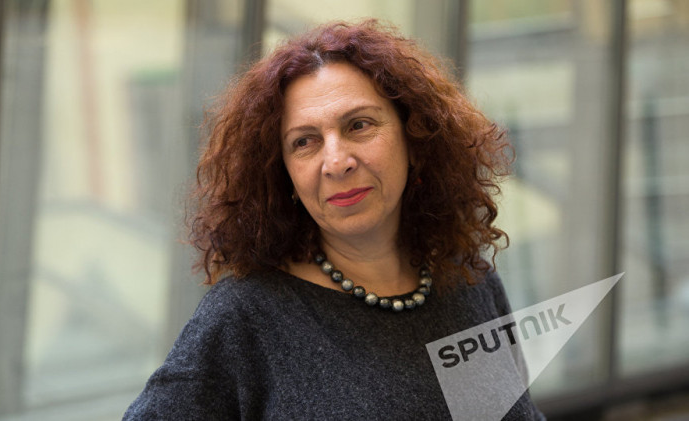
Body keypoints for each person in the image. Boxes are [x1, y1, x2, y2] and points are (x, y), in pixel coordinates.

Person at [123, 19, 544, 420]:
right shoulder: (244, 317)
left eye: (359, 125)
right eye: (304, 142)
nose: (337, 162)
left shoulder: (470, 281)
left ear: (415, 138)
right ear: (283, 173)